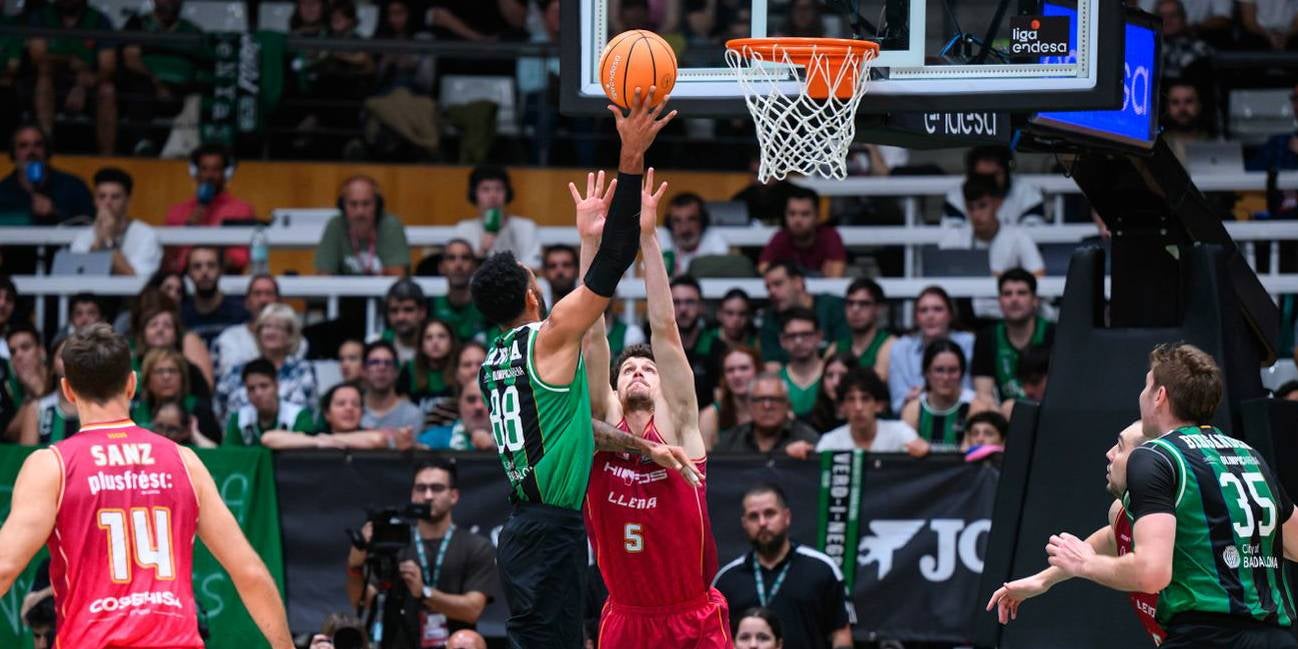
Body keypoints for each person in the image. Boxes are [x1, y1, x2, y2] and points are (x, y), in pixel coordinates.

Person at [471, 87, 689, 647]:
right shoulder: (547, 338)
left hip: (527, 529)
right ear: (531, 295)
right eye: (534, 276)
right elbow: (615, 264)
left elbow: (576, 430)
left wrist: (643, 449)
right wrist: (631, 155)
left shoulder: (493, 362)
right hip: (547, 532)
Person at [0, 323, 294, 648]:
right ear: (132, 384)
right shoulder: (184, 460)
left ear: (68, 390)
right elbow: (249, 571)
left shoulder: (51, 465)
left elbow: (4, 567)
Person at [1006, 344, 1298, 649]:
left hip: (1206, 636)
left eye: (1146, 386)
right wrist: (1044, 579)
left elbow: (1151, 573)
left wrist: (1084, 564)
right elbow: (1294, 543)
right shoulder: (1248, 455)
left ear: (1159, 395)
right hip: (1276, 638)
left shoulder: (1154, 455)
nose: (1142, 396)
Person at [580, 167, 730, 649]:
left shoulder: (680, 423)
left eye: (648, 369)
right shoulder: (604, 423)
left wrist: (648, 239)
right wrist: (590, 242)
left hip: (691, 617)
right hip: (626, 617)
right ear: (615, 387)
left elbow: (665, 329)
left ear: (667, 386)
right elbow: (590, 334)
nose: (639, 373)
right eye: (628, 370)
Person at [987, 422, 1165, 642]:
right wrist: (1042, 581)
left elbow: (1147, 576)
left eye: (1120, 447)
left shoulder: (1182, 528)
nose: (1109, 453)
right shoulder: (1120, 512)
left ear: (1146, 462)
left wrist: (1087, 564)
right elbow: (1111, 539)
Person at [345, 459, 499, 647]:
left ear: (454, 495)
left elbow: (472, 610)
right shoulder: (394, 543)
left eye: (437, 488)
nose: (428, 496)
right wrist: (355, 567)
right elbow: (363, 601)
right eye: (421, 488)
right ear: (412, 494)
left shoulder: (476, 547)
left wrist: (425, 593)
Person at [713, 483, 854, 649]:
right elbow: (715, 640)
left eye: (769, 513)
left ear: (786, 517)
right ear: (744, 523)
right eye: (753, 516)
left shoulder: (822, 569)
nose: (762, 522)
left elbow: (841, 637)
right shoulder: (726, 580)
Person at [27, 0, 118, 154]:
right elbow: (37, 56)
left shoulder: (99, 20)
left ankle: (107, 157)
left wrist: (84, 83)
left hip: (88, 83)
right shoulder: (42, 16)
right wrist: (69, 60)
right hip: (54, 81)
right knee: (44, 75)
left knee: (108, 90)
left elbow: (108, 66)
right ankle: (45, 145)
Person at [120, 7, 207, 158]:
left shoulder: (191, 29)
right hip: (147, 86)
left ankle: (188, 152)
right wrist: (158, 84)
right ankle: (142, 143)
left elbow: (201, 66)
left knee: (197, 96)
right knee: (140, 88)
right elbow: (131, 59)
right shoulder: (138, 23)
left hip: (181, 90)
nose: (168, 2)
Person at [214, 303, 317, 422]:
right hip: (241, 433)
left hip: (291, 433)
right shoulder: (238, 370)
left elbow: (311, 411)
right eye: (266, 326)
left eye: (278, 327)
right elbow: (219, 407)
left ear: (290, 335)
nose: (270, 332)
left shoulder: (302, 370)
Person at [164, 143, 256, 272]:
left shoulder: (242, 210)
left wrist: (210, 252)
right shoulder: (177, 211)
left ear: (226, 173)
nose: (209, 175)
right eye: (204, 169)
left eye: (216, 169)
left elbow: (241, 259)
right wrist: (187, 228)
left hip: (225, 278)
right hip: (183, 279)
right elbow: (168, 260)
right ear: (194, 172)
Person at [887, 286, 975, 413]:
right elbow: (897, 404)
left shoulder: (969, 343)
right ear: (916, 317)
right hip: (914, 416)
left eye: (938, 309)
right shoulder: (901, 348)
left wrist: (924, 394)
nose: (930, 316)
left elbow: (969, 394)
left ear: (950, 315)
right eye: (923, 310)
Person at [972, 269, 1055, 404]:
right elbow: (984, 395)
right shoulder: (986, 338)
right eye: (1007, 294)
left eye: (1021, 293)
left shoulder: (1055, 334)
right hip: (1004, 412)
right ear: (999, 301)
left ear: (1035, 300)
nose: (1014, 299)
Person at [939, 175, 1045, 277]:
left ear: (998, 203)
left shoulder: (1018, 236)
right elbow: (939, 273)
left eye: (982, 206)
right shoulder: (954, 237)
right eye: (970, 208)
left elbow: (1038, 274)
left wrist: (1003, 279)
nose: (976, 215)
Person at [900, 340, 996, 448]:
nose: (946, 377)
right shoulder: (913, 410)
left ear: (962, 373)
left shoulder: (976, 408)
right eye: (939, 370)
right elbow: (906, 451)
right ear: (927, 372)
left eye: (953, 370)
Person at [260, 382, 413, 450]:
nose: (349, 408)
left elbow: (377, 439)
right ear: (327, 413)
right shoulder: (318, 436)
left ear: (362, 412)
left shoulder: (368, 434)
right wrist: (318, 442)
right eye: (341, 404)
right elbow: (268, 438)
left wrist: (331, 440)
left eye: (355, 404)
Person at [70, 168, 162, 278]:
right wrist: (99, 243)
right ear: (95, 201)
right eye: (102, 196)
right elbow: (79, 277)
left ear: (128, 201)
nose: (107, 203)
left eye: (115, 197)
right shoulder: (83, 237)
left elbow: (133, 280)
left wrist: (109, 241)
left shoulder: (146, 235)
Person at [817, 367, 928, 456]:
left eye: (865, 399)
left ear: (879, 405)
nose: (858, 407)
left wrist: (923, 450)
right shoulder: (829, 443)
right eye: (851, 399)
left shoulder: (900, 433)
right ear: (842, 407)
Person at [0, 124, 92, 228]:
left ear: (47, 150)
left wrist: (55, 213)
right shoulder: (3, 192)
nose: (31, 152)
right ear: (13, 153)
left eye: (38, 145)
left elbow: (89, 225)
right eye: (23, 146)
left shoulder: (73, 187)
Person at [315, 176, 410, 276]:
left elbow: (398, 277)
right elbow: (323, 275)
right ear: (342, 206)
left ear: (377, 205)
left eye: (366, 204)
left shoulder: (390, 226)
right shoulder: (335, 225)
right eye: (353, 204)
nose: (360, 211)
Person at [758, 263, 848, 366]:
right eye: (768, 287)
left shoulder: (832, 307)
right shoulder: (770, 319)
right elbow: (771, 364)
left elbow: (845, 347)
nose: (772, 291)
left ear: (798, 283)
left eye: (778, 284)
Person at [714, 372, 820, 458]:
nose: (767, 406)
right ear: (749, 405)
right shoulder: (728, 442)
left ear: (787, 405)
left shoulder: (808, 440)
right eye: (760, 399)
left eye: (775, 399)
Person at [454, 165, 541, 268]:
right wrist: (482, 251)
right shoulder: (464, 229)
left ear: (507, 193)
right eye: (485, 190)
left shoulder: (526, 227)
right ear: (474, 194)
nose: (493, 195)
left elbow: (534, 267)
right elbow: (461, 270)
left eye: (499, 189)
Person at [212, 276, 299, 378]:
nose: (263, 300)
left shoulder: (297, 341)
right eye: (257, 294)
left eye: (269, 293)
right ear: (247, 303)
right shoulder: (229, 339)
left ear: (279, 301)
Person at [130, 346, 221, 441]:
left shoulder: (199, 410)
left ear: (183, 378)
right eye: (159, 371)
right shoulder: (133, 411)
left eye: (172, 371)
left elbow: (217, 448)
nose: (166, 376)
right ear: (147, 380)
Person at [942, 145, 1045, 227]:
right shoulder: (956, 197)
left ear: (1006, 172)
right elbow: (952, 240)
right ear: (971, 175)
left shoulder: (1028, 194)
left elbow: (1034, 239)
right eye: (982, 177)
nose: (988, 183)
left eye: (993, 176)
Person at [224, 358, 316, 446]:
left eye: (264, 386)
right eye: (251, 388)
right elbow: (227, 453)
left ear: (277, 386)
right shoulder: (238, 419)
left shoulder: (298, 416)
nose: (258, 394)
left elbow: (307, 450)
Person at [757, 187, 847, 277]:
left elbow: (836, 274)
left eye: (805, 214)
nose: (797, 220)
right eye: (792, 213)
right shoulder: (781, 237)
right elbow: (763, 269)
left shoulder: (830, 236)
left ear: (817, 216)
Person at [665, 275, 725, 408]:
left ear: (701, 306)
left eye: (690, 302)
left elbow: (721, 399)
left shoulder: (717, 348)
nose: (683, 309)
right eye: (676, 302)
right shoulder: (656, 348)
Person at [824, 278, 893, 381]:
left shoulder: (891, 345)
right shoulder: (834, 348)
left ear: (878, 308)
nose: (855, 309)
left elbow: (878, 385)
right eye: (850, 303)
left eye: (864, 304)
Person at [180, 246, 250, 345]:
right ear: (189, 273)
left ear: (221, 270)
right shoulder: (182, 315)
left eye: (211, 265)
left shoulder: (240, 313)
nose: (204, 272)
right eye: (197, 266)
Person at [399, 319, 459, 430]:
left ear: (451, 342)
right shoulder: (409, 370)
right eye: (428, 338)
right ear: (421, 344)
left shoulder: (461, 369)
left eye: (441, 336)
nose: (435, 342)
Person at [16, 337, 78, 445]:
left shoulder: (97, 407)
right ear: (52, 366)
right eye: (63, 356)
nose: (69, 361)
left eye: (76, 355)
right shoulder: (37, 408)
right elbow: (27, 453)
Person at [700, 345, 761, 449]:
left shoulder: (771, 410)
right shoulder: (710, 416)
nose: (737, 375)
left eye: (744, 368)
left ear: (758, 371)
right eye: (730, 370)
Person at [658, 192, 729, 277]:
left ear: (703, 221)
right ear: (669, 224)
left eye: (691, 219)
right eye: (677, 220)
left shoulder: (714, 240)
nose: (684, 228)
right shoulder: (661, 237)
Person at [360, 340, 424, 431]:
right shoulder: (351, 411)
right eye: (374, 362)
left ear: (397, 372)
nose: (382, 367)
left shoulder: (412, 415)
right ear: (363, 370)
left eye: (388, 363)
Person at [429, 239, 486, 342]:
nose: (458, 264)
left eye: (465, 258)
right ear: (441, 267)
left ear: (475, 266)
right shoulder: (431, 307)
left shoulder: (486, 309)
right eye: (451, 258)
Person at [775, 308, 825, 419]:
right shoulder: (776, 381)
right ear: (782, 340)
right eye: (792, 336)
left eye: (806, 334)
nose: (798, 341)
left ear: (819, 336)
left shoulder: (832, 376)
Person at [419, 380, 494, 451]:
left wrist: (494, 448)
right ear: (459, 404)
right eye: (471, 399)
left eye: (485, 399)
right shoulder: (435, 438)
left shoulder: (502, 442)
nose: (478, 406)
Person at [374, 278, 427, 363]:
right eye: (394, 310)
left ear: (422, 312)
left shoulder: (435, 345)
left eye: (408, 310)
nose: (400, 317)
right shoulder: (376, 344)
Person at [806, 352, 852, 434]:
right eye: (830, 375)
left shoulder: (865, 419)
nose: (835, 382)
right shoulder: (810, 421)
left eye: (842, 376)